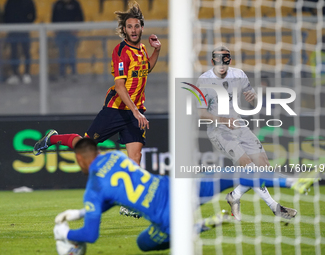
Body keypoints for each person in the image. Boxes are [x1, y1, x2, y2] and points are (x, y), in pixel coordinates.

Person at [53, 138, 317, 252]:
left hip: (167, 217)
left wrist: (63, 233)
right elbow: (116, 194)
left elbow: (90, 235)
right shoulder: (113, 155)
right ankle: (288, 181)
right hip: (181, 188)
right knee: (232, 174)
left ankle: (197, 227)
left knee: (144, 244)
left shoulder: (94, 186)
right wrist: (80, 212)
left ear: (80, 160)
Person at [34, 1, 161, 216]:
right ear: (124, 30)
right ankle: (51, 139)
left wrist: (156, 50)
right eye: (129, 27)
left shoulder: (141, 48)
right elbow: (120, 87)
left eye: (137, 26)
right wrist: (136, 112)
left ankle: (129, 203)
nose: (133, 30)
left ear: (141, 28)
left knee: (136, 156)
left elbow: (146, 68)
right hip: (116, 109)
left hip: (135, 110)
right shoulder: (120, 51)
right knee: (85, 144)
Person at [196, 45, 300, 221]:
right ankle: (275, 207)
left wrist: (253, 99)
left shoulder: (239, 75)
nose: (222, 65)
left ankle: (234, 196)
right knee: (249, 167)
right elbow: (201, 113)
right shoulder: (204, 81)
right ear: (213, 61)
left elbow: (254, 101)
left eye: (225, 60)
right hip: (219, 131)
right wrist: (223, 120)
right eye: (218, 61)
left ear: (229, 60)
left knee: (264, 166)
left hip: (239, 126)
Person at [3, 0, 35, 85]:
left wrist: (27, 24)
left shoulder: (28, 2)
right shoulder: (10, 2)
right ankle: (15, 74)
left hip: (24, 30)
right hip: (13, 31)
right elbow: (5, 15)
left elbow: (33, 15)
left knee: (26, 51)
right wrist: (10, 26)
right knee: (14, 52)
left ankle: (27, 74)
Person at [52, 0, 84, 81]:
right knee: (61, 54)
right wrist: (55, 30)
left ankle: (73, 73)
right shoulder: (57, 4)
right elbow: (53, 18)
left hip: (71, 33)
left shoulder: (75, 4)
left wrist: (76, 29)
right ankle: (62, 73)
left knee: (72, 53)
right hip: (60, 33)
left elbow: (81, 18)